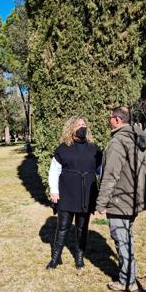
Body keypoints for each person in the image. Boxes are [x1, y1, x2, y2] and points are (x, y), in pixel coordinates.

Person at [96, 106, 146, 292]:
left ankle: (127, 281)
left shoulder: (119, 141)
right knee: (127, 238)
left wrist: (102, 202)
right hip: (133, 199)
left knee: (122, 240)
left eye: (110, 117)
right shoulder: (137, 138)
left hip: (120, 200)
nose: (109, 120)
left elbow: (110, 174)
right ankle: (130, 275)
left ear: (117, 120)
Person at [47, 116, 102, 270]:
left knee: (82, 228)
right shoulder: (63, 148)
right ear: (71, 128)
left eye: (84, 124)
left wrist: (104, 189)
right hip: (67, 193)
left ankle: (79, 257)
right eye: (78, 124)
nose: (82, 126)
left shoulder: (94, 149)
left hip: (86, 193)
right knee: (63, 227)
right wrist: (54, 191)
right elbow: (54, 171)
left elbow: (101, 170)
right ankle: (56, 258)